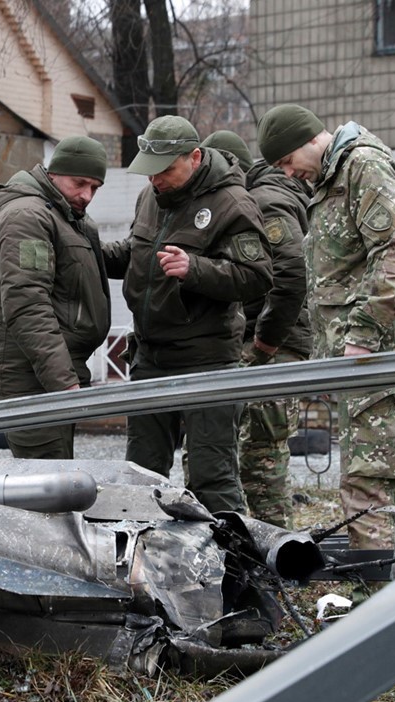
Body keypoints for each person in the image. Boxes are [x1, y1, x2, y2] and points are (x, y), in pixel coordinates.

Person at [257, 104, 395, 549]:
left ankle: (380, 585)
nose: (288, 173)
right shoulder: (332, 177)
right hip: (360, 358)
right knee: (365, 478)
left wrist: (364, 335)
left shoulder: (362, 166)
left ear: (307, 140)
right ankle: (382, 576)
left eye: (286, 161)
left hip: (378, 354)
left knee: (370, 481)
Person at [101, 116, 272, 514]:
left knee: (212, 478)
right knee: (141, 475)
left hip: (206, 360)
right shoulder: (150, 197)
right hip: (150, 357)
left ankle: (231, 552)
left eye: (164, 170)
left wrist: (195, 269)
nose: (155, 180)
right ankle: (144, 550)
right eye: (149, 171)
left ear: (194, 158)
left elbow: (257, 276)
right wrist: (91, 251)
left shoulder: (232, 203)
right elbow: (137, 252)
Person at [201, 130, 312, 529]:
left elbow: (291, 274)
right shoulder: (262, 195)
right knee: (258, 455)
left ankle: (276, 550)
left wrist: (264, 341)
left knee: (259, 459)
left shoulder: (263, 201)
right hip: (272, 341)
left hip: (275, 345)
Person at [0, 136, 111, 459]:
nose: (87, 195)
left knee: (57, 474)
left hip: (52, 375)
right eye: (79, 183)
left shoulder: (64, 214)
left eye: (95, 188)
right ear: (54, 173)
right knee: (44, 478)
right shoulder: (27, 217)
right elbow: (28, 305)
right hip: (32, 380)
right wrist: (64, 382)